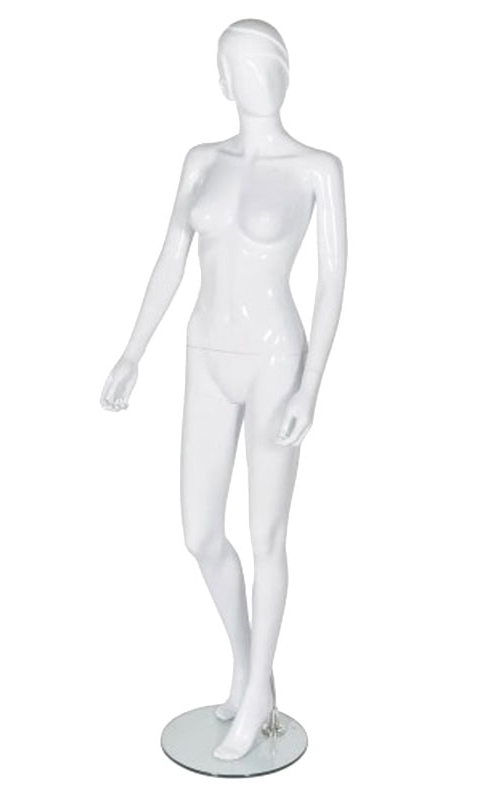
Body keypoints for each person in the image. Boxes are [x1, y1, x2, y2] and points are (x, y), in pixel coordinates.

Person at [100, 18, 347, 761]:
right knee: (200, 533)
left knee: (267, 535)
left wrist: (311, 384)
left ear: (284, 71)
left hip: (275, 359)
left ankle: (257, 694)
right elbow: (170, 257)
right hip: (204, 352)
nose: (252, 77)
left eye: (263, 62)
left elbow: (332, 281)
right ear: (221, 80)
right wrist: (132, 352)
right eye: (237, 65)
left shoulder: (317, 168)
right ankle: (251, 670)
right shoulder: (201, 161)